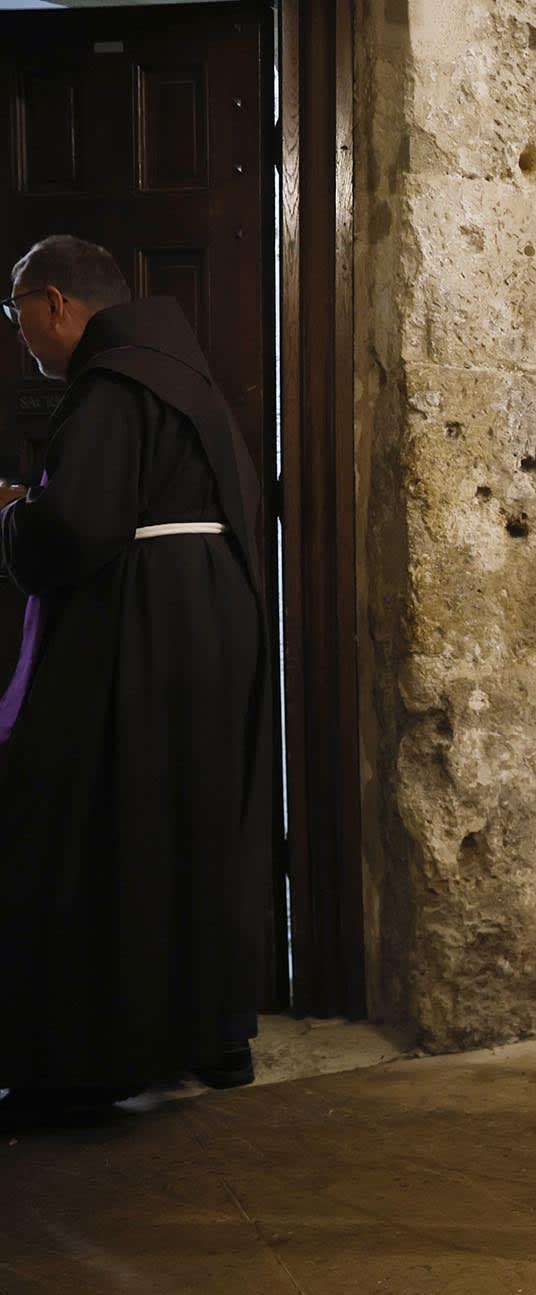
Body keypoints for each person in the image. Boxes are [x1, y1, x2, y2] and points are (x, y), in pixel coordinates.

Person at [0, 236, 272, 1114]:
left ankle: (88, 1067)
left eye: (16, 313)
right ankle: (215, 1035)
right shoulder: (186, 378)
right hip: (213, 617)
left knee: (98, 816)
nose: (18, 333)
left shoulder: (113, 387)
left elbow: (77, 525)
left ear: (53, 303)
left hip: (145, 623)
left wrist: (15, 516)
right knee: (196, 822)